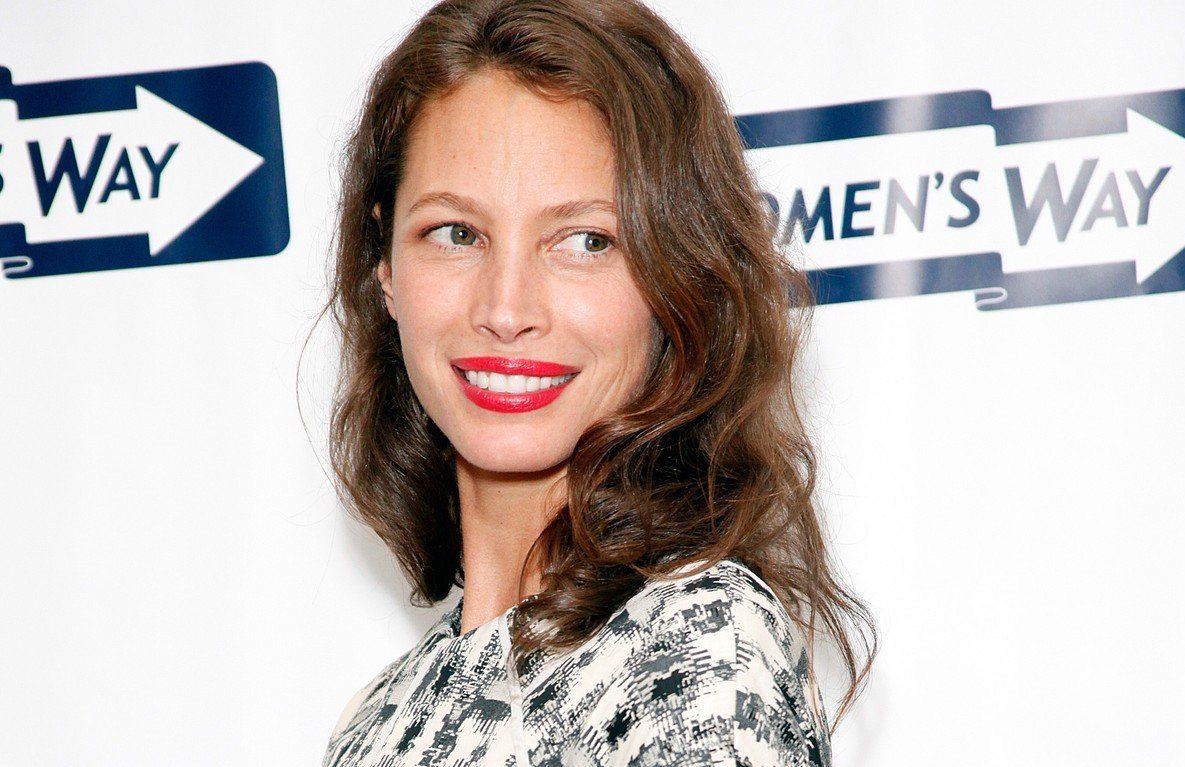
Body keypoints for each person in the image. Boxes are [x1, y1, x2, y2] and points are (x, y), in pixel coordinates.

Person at [316, 0, 876, 764]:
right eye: (456, 233)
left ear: (676, 280)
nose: (505, 310)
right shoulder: (375, 722)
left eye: (585, 240)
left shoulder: (697, 649)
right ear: (384, 266)